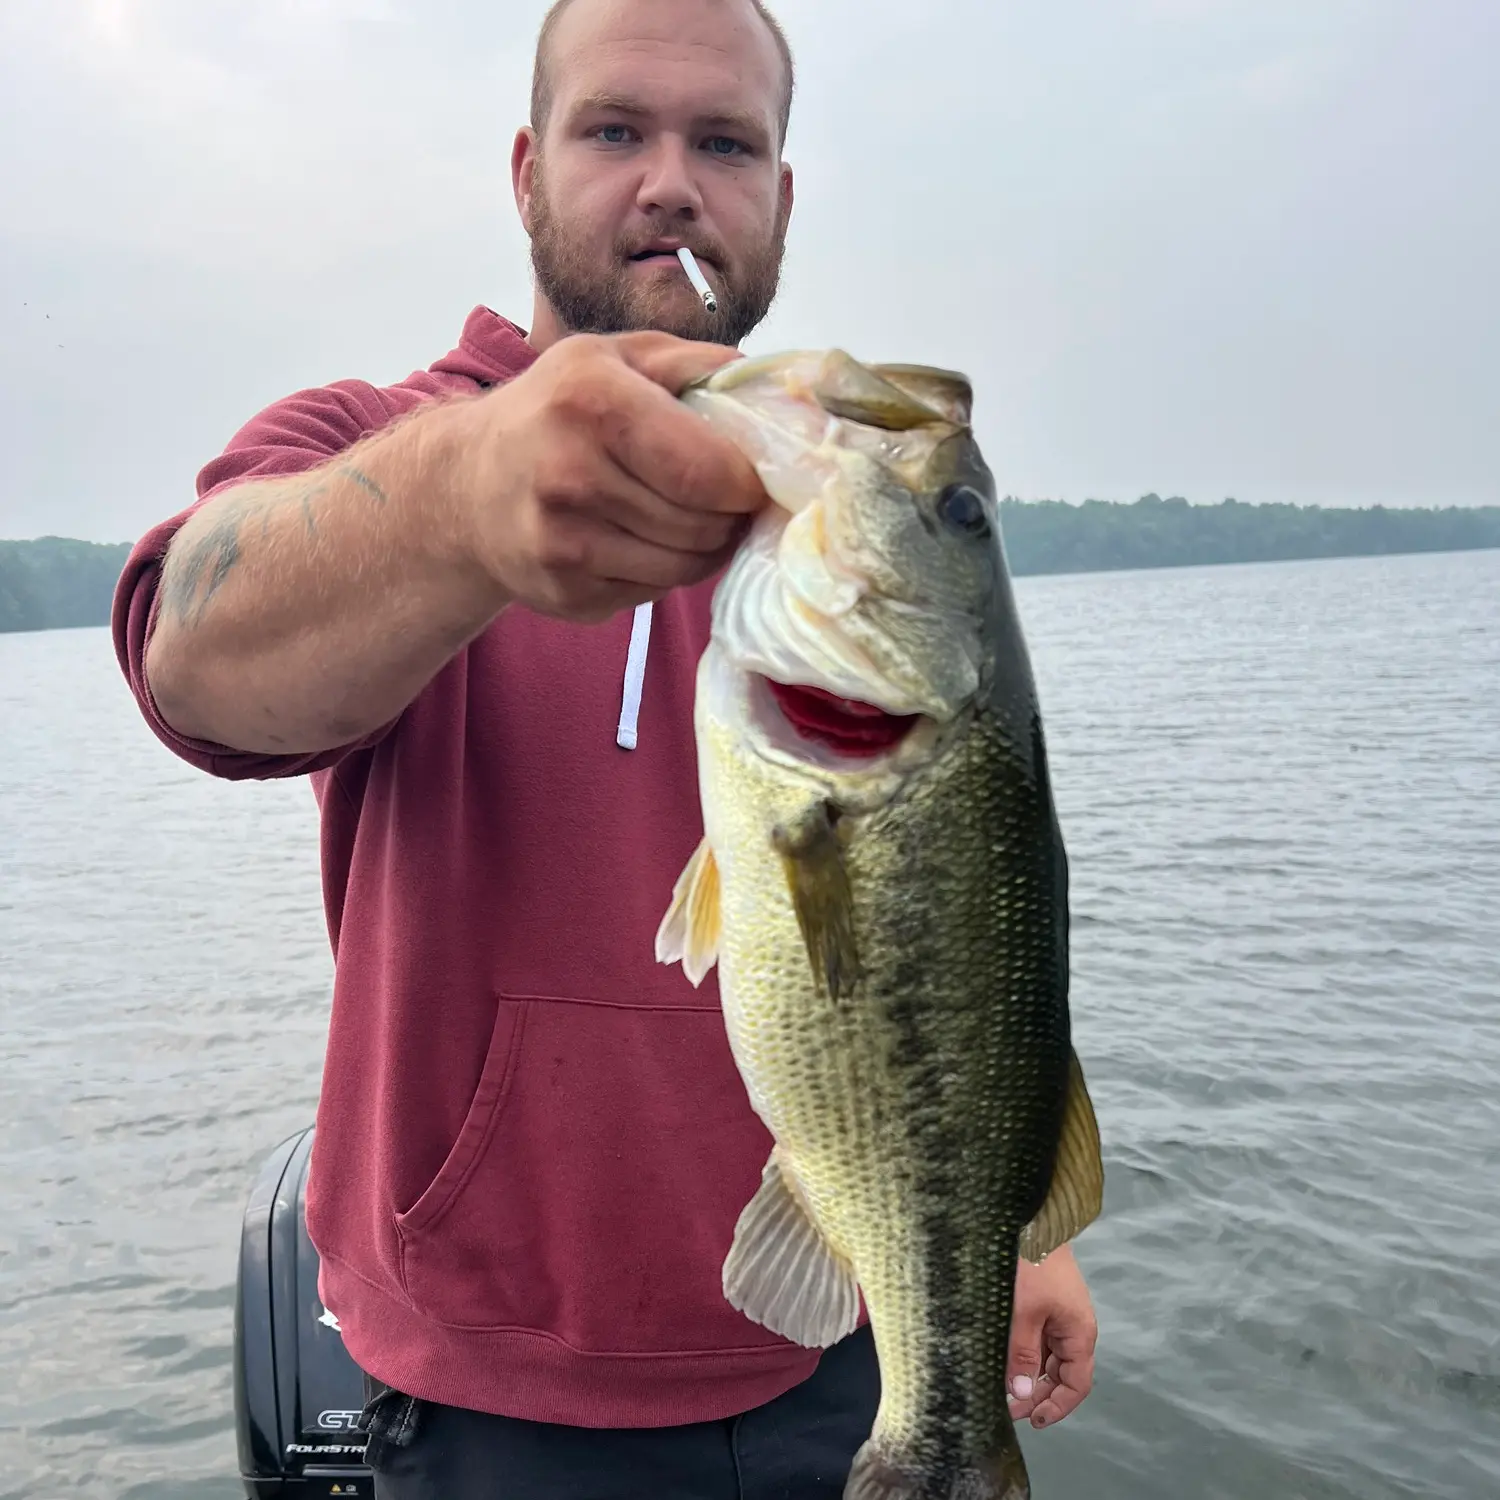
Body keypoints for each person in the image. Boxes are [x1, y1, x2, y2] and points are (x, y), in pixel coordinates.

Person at [111, 0, 1099, 1494]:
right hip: (479, 1384)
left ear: (780, 197)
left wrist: (1022, 1231)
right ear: (525, 174)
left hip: (838, 1345)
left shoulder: (816, 511)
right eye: (614, 130)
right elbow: (186, 653)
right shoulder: (375, 441)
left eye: (726, 143)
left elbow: (969, 929)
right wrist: (461, 502)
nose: (671, 183)